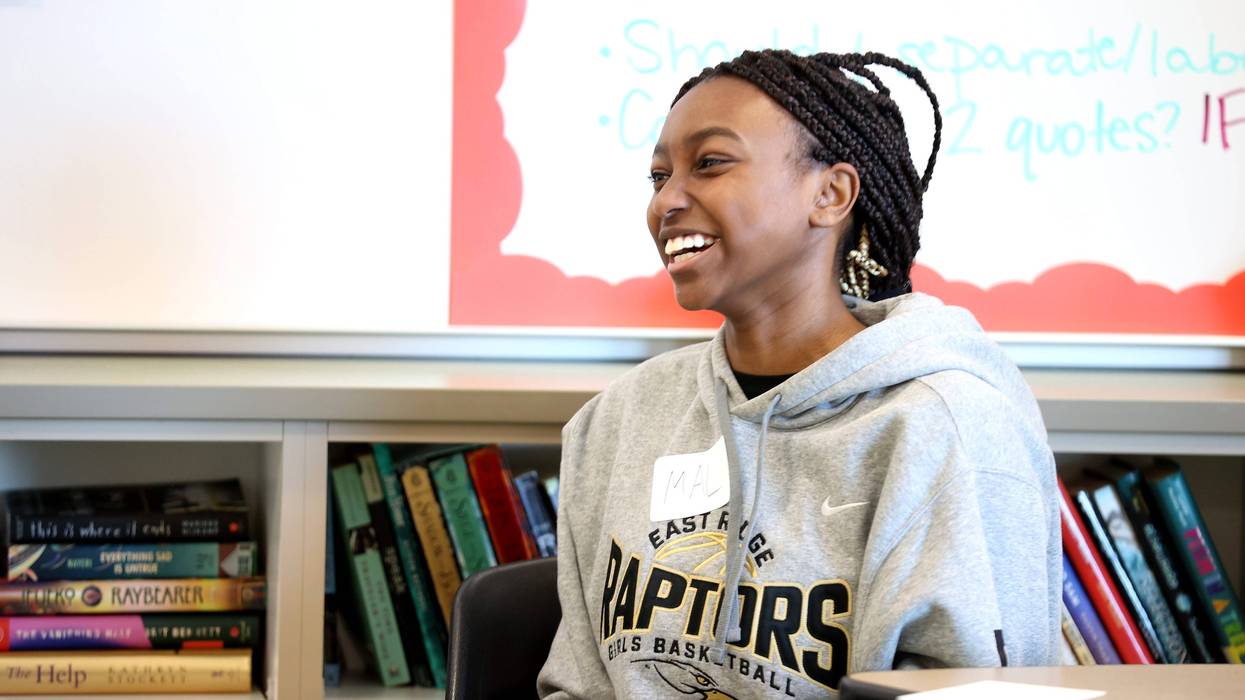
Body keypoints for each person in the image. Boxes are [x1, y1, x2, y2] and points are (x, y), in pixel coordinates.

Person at [537, 49, 1060, 699]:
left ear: (829, 194)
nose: (667, 201)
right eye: (657, 177)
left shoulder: (942, 424)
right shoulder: (618, 419)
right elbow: (578, 685)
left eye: (709, 163)